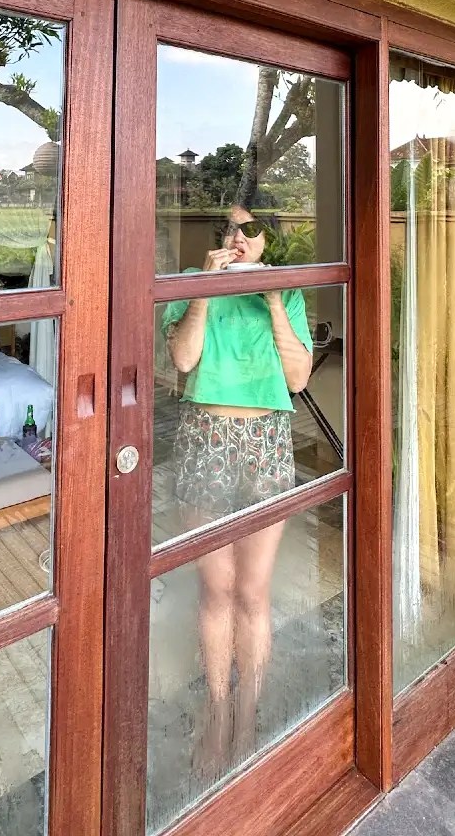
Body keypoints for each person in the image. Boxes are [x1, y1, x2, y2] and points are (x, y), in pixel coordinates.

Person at [161, 204, 313, 774]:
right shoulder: (194, 287)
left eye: (250, 229)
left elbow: (297, 378)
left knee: (252, 590)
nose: (238, 237)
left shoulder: (288, 294)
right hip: (207, 436)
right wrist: (205, 288)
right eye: (230, 229)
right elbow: (182, 357)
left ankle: (249, 711)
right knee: (215, 589)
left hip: (266, 441)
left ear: (267, 237)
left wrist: (274, 297)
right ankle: (217, 709)